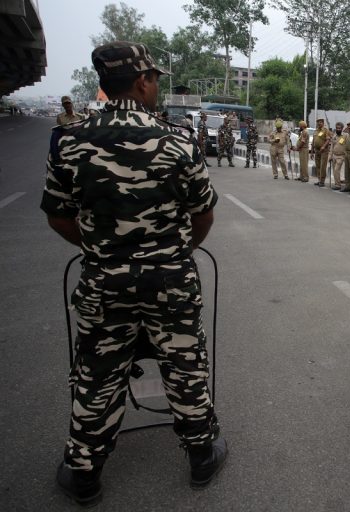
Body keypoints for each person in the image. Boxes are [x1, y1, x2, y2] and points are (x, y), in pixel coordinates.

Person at [41, 41, 226, 507]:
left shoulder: (68, 140)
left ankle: (83, 472)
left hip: (104, 281)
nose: (157, 86)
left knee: (98, 372)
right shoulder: (177, 139)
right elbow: (203, 214)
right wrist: (174, 251)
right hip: (171, 280)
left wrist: (103, 250)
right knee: (185, 365)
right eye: (156, 79)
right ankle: (202, 456)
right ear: (142, 81)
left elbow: (57, 215)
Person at [312, 118, 331, 187]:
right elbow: (313, 141)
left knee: (323, 166)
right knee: (318, 166)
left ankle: (322, 181)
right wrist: (312, 152)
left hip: (324, 151)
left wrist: (323, 146)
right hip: (316, 151)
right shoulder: (315, 131)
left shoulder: (326, 130)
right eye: (318, 122)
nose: (319, 123)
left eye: (320, 122)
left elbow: (328, 140)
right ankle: (319, 180)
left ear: (323, 123)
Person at [330, 122, 347, 190]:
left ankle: (338, 185)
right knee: (334, 171)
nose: (338, 129)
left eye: (339, 128)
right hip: (334, 155)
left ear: (342, 129)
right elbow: (332, 147)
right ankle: (337, 183)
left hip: (341, 156)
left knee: (337, 170)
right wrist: (330, 156)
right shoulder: (334, 136)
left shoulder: (345, 135)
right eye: (337, 128)